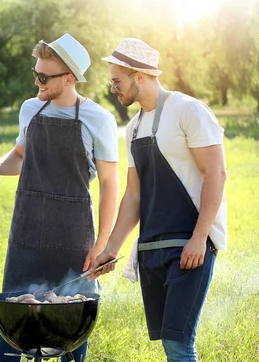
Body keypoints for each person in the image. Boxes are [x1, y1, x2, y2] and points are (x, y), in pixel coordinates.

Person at [0, 34, 119, 362]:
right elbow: (20, 156)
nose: (37, 82)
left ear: (69, 79)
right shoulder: (30, 109)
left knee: (71, 320)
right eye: (35, 73)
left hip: (73, 237)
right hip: (27, 233)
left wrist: (102, 245)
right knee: (14, 319)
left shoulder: (99, 120)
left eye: (44, 77)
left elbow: (110, 183)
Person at [89, 38, 227, 362]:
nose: (113, 89)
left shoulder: (187, 111)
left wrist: (198, 237)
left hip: (190, 246)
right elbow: (134, 196)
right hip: (152, 248)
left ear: (139, 76)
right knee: (169, 341)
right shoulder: (134, 128)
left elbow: (215, 174)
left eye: (117, 81)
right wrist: (110, 249)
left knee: (179, 342)